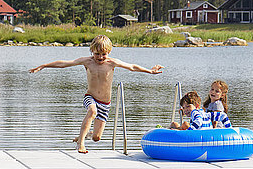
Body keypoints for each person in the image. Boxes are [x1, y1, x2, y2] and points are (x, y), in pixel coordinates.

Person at [30, 35, 164, 153]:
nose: (100, 57)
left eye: (103, 54)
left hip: (105, 103)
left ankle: (84, 135)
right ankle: (80, 143)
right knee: (92, 111)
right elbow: (65, 63)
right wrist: (43, 65)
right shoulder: (87, 61)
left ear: (109, 52)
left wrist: (150, 71)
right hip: (90, 97)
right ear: (91, 51)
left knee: (96, 138)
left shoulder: (112, 63)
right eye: (97, 54)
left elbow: (132, 67)